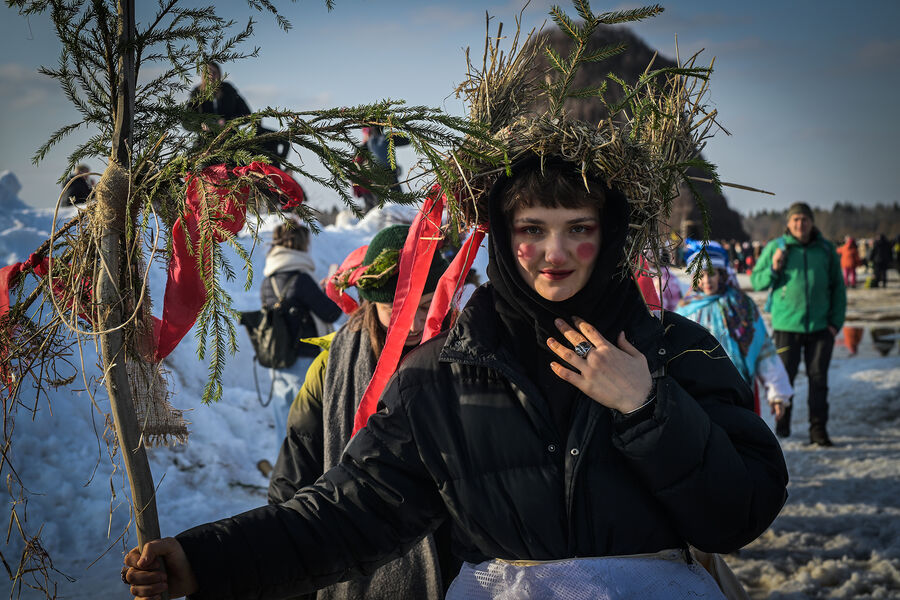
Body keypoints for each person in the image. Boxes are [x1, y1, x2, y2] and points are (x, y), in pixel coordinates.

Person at [124, 158, 788, 600]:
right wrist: (202, 561)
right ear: (502, 236)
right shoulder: (439, 378)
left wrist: (647, 409)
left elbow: (742, 511)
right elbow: (349, 514)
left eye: (578, 229)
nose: (554, 254)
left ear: (608, 236)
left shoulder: (677, 352)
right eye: (532, 229)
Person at [268, 223, 453, 600]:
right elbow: (297, 468)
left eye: (426, 306)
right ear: (371, 304)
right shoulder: (332, 365)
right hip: (347, 549)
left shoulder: (466, 356)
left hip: (452, 563)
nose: (415, 324)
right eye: (395, 310)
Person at [751, 202, 846, 445]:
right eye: (795, 220)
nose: (800, 224)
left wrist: (835, 323)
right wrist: (774, 266)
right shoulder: (776, 247)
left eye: (804, 219)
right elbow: (757, 281)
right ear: (788, 223)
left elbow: (838, 288)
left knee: (819, 381)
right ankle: (783, 426)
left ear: (812, 222)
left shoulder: (825, 250)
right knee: (785, 378)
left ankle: (818, 431)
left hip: (821, 328)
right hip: (786, 327)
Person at [676, 243, 792, 418]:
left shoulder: (742, 304)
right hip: (701, 396)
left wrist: (777, 392)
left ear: (722, 274)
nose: (707, 280)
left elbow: (763, 348)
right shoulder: (685, 311)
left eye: (712, 273)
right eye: (701, 274)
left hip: (740, 390)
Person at [261, 222, 341, 445]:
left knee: (284, 422)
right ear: (301, 245)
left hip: (278, 360)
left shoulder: (268, 280)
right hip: (305, 361)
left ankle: (285, 472)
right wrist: (332, 291)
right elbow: (331, 313)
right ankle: (309, 473)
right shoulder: (301, 279)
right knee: (309, 422)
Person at [187, 62, 251, 132]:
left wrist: (227, 121)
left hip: (230, 137)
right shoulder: (197, 94)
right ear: (203, 75)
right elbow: (186, 121)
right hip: (206, 140)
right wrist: (200, 125)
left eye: (214, 73)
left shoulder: (229, 90)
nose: (211, 76)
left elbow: (247, 114)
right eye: (208, 73)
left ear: (219, 74)